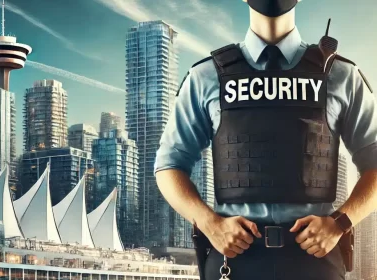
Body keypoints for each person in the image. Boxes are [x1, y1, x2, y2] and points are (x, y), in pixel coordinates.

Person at [154, 0, 377, 279]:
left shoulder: (342, 75)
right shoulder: (205, 76)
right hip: (233, 259)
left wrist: (340, 223)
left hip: (315, 259)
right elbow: (169, 165)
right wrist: (210, 223)